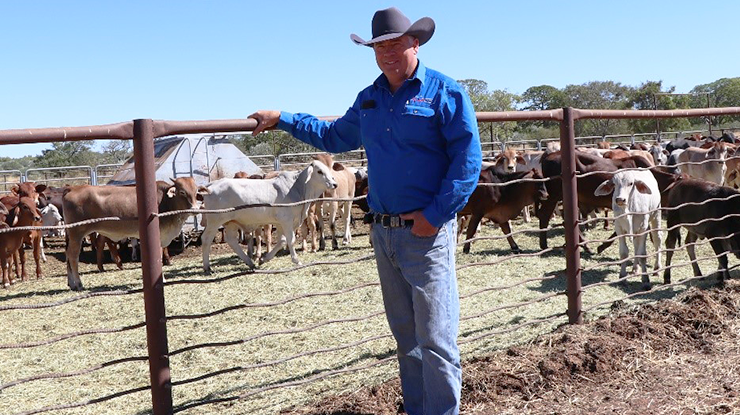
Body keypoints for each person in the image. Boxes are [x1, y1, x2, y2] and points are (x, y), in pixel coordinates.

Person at [249, 7, 481, 415]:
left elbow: (468, 162)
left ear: (415, 42)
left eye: (395, 43)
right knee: (406, 338)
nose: (387, 53)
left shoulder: (446, 92)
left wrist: (436, 216)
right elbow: (333, 135)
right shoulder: (370, 97)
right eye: (379, 47)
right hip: (384, 231)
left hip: (425, 231)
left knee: (437, 338)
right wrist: (282, 118)